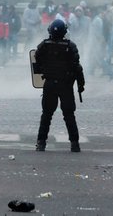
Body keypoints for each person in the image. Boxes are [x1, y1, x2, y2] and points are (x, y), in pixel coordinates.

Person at [33, 18, 85, 153]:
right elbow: (77, 68)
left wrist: (45, 70)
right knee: (69, 115)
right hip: (66, 86)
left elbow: (36, 64)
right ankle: (75, 144)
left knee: (46, 115)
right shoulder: (70, 46)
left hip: (49, 84)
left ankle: (41, 143)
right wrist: (81, 85)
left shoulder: (43, 45)